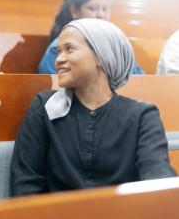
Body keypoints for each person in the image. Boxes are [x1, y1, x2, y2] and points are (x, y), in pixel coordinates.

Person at [12, 18, 176, 196]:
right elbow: (25, 185)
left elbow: (158, 178)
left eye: (69, 49)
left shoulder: (142, 116)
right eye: (59, 51)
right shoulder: (43, 107)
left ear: (100, 56)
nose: (58, 59)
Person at [38, 0, 143, 74]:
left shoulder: (117, 46)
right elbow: (54, 90)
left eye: (105, 8)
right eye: (92, 8)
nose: (101, 14)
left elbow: (139, 80)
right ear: (75, 11)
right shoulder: (58, 49)